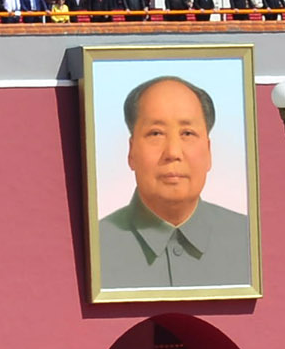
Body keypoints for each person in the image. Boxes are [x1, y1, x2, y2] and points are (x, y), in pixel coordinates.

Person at [95, 73, 253, 289]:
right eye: (156, 133)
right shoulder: (96, 246)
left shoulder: (250, 240)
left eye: (187, 133)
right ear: (131, 152)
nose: (173, 152)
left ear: (208, 152)